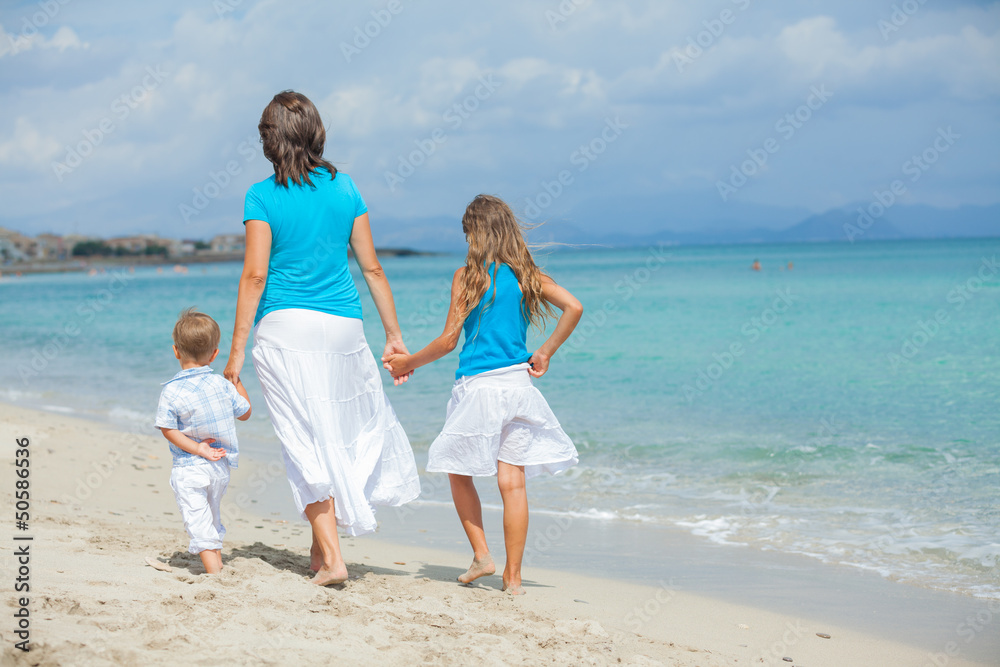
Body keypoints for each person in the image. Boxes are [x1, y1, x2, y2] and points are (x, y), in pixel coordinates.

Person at [224, 90, 420, 587]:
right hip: (344, 328)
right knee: (334, 431)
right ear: (316, 132)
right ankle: (321, 551)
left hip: (285, 328)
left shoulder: (260, 195)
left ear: (269, 139)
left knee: (303, 440)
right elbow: (372, 268)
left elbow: (254, 278)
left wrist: (235, 354)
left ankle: (333, 560)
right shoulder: (346, 188)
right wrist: (395, 337)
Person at [384, 194, 582, 595]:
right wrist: (545, 351)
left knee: (458, 472)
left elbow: (448, 341)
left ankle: (482, 556)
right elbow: (574, 307)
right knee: (513, 483)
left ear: (476, 234)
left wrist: (408, 363)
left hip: (478, 389)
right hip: (519, 388)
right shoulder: (527, 276)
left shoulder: (468, 276)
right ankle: (513, 578)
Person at [155, 308, 252, 574]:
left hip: (190, 466)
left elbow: (167, 428)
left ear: (176, 351)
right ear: (214, 354)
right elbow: (245, 412)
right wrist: (235, 380)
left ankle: (214, 573)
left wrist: (197, 448)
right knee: (212, 515)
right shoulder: (221, 385)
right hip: (220, 465)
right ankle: (217, 562)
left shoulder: (172, 390)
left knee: (198, 520)